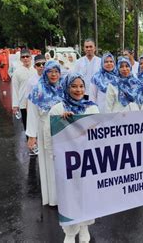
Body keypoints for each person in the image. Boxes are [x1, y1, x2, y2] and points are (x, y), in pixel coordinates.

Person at [50, 73, 98, 243]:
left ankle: (84, 226)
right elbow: (51, 135)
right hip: (67, 162)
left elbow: (99, 132)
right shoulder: (58, 108)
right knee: (69, 196)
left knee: (86, 194)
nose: (78, 90)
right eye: (74, 86)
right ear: (67, 87)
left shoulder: (92, 107)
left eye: (81, 86)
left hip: (87, 160)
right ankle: (70, 233)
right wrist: (62, 122)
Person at [26, 61, 65, 207]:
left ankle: (65, 196)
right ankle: (53, 198)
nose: (53, 74)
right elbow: (32, 114)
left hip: (62, 129)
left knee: (62, 162)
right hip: (45, 130)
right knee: (49, 161)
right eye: (50, 71)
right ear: (45, 73)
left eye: (56, 71)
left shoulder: (64, 88)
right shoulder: (38, 90)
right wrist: (32, 135)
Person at [12, 49, 37, 141]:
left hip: (37, 102)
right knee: (27, 125)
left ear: (31, 57)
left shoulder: (36, 70)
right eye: (23, 57)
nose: (25, 58)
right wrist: (15, 105)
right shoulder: (17, 72)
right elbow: (15, 89)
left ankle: (39, 144)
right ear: (20, 59)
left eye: (27, 56)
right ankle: (31, 146)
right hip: (23, 103)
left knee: (38, 124)